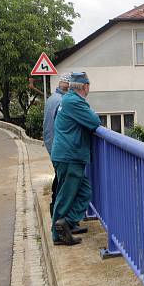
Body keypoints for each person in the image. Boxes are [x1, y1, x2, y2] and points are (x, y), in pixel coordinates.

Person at [50, 72, 101, 246]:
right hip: (70, 156)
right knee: (65, 196)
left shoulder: (66, 100)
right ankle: (58, 234)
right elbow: (94, 121)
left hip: (68, 155)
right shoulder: (74, 102)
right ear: (85, 86)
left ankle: (67, 224)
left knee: (84, 192)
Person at [43, 73, 71, 217]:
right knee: (63, 181)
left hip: (50, 143)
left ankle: (55, 211)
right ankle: (58, 215)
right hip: (58, 147)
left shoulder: (51, 98)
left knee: (59, 178)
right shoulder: (62, 102)